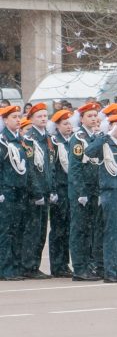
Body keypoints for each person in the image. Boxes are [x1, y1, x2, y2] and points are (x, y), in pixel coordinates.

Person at [86, 113, 117, 283]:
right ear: (110, 126)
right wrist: (104, 135)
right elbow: (89, 151)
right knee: (111, 232)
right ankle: (109, 271)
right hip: (110, 191)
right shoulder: (104, 142)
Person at [68, 102, 103, 280]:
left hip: (94, 189)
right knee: (80, 230)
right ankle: (79, 268)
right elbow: (75, 168)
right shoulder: (79, 138)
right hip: (82, 191)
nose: (94, 118)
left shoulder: (95, 137)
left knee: (91, 229)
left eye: (96, 115)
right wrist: (81, 191)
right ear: (81, 119)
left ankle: (89, 265)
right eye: (89, 115)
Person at [21, 102, 55, 278]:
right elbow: (31, 168)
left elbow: (51, 166)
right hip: (35, 193)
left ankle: (35, 265)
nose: (43, 119)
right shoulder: (30, 139)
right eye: (39, 116)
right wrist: (37, 192)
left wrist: (52, 189)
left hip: (46, 190)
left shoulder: (47, 138)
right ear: (32, 119)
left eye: (44, 116)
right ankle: (29, 266)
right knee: (33, 231)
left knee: (41, 230)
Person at [0, 105, 27, 280]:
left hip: (20, 190)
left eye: (19, 116)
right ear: (5, 120)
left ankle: (16, 266)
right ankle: (5, 268)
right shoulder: (3, 141)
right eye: (14, 117)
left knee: (18, 230)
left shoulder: (20, 140)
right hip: (7, 190)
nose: (18, 120)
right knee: (6, 230)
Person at [48, 109, 74, 277]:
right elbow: (51, 168)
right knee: (58, 229)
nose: (69, 127)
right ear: (57, 126)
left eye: (70, 123)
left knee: (68, 230)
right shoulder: (54, 142)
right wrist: (53, 190)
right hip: (60, 190)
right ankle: (57, 265)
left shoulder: (72, 141)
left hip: (71, 189)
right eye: (65, 124)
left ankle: (64, 263)